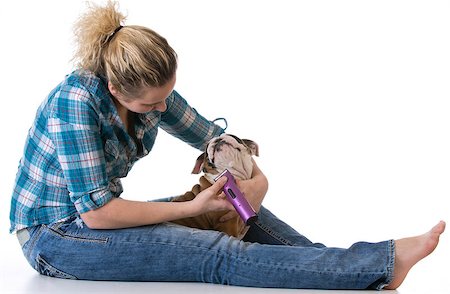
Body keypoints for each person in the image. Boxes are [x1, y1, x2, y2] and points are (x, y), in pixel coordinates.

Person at [9, 0, 445, 290]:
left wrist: (258, 184)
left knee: (235, 209)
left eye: (167, 95)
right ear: (116, 90)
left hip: (95, 220)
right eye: (152, 103)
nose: (163, 107)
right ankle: (377, 265)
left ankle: (354, 272)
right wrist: (191, 209)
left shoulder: (150, 94)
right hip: (57, 237)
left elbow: (215, 138)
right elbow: (97, 213)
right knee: (215, 252)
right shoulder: (75, 103)